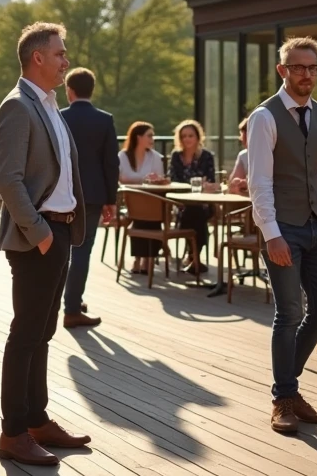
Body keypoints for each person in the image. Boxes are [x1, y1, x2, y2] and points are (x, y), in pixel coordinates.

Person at [0, 21, 90, 466]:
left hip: (61, 231)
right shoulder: (18, 106)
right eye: (59, 54)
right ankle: (14, 433)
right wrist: (41, 233)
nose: (65, 60)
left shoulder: (49, 105)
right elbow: (8, 180)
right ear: (37, 58)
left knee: (43, 332)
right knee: (25, 334)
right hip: (40, 237)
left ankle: (37, 419)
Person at [246, 36, 317, 434]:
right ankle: (283, 398)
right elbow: (259, 181)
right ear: (283, 71)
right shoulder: (264, 117)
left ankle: (288, 387)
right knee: (290, 313)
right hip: (283, 228)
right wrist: (271, 233)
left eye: (312, 67)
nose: (306, 74)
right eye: (298, 67)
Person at [59, 68, 117, 329]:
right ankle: (72, 308)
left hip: (60, 194)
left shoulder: (58, 118)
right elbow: (110, 163)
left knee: (62, 249)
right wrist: (111, 200)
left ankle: (69, 300)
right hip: (92, 195)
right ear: (91, 90)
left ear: (69, 91)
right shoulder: (105, 120)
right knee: (82, 249)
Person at [168, 119, 217, 273]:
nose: (187, 139)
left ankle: (193, 256)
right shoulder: (176, 156)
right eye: (184, 136)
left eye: (190, 135)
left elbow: (210, 180)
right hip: (182, 203)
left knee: (198, 212)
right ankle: (194, 257)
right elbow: (174, 179)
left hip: (204, 202)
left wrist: (205, 185)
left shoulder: (207, 156)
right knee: (191, 212)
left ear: (197, 137)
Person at [118, 122, 167, 275]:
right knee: (140, 213)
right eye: (149, 135)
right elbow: (122, 178)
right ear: (138, 137)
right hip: (132, 200)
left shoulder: (156, 157)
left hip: (153, 200)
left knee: (151, 213)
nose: (153, 138)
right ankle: (142, 258)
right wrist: (145, 179)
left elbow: (160, 179)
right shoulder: (123, 156)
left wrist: (150, 180)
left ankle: (143, 259)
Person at [228, 117, 250, 196]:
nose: (242, 139)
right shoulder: (243, 155)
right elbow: (232, 185)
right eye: (242, 134)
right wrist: (238, 183)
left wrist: (248, 183)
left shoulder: (273, 154)